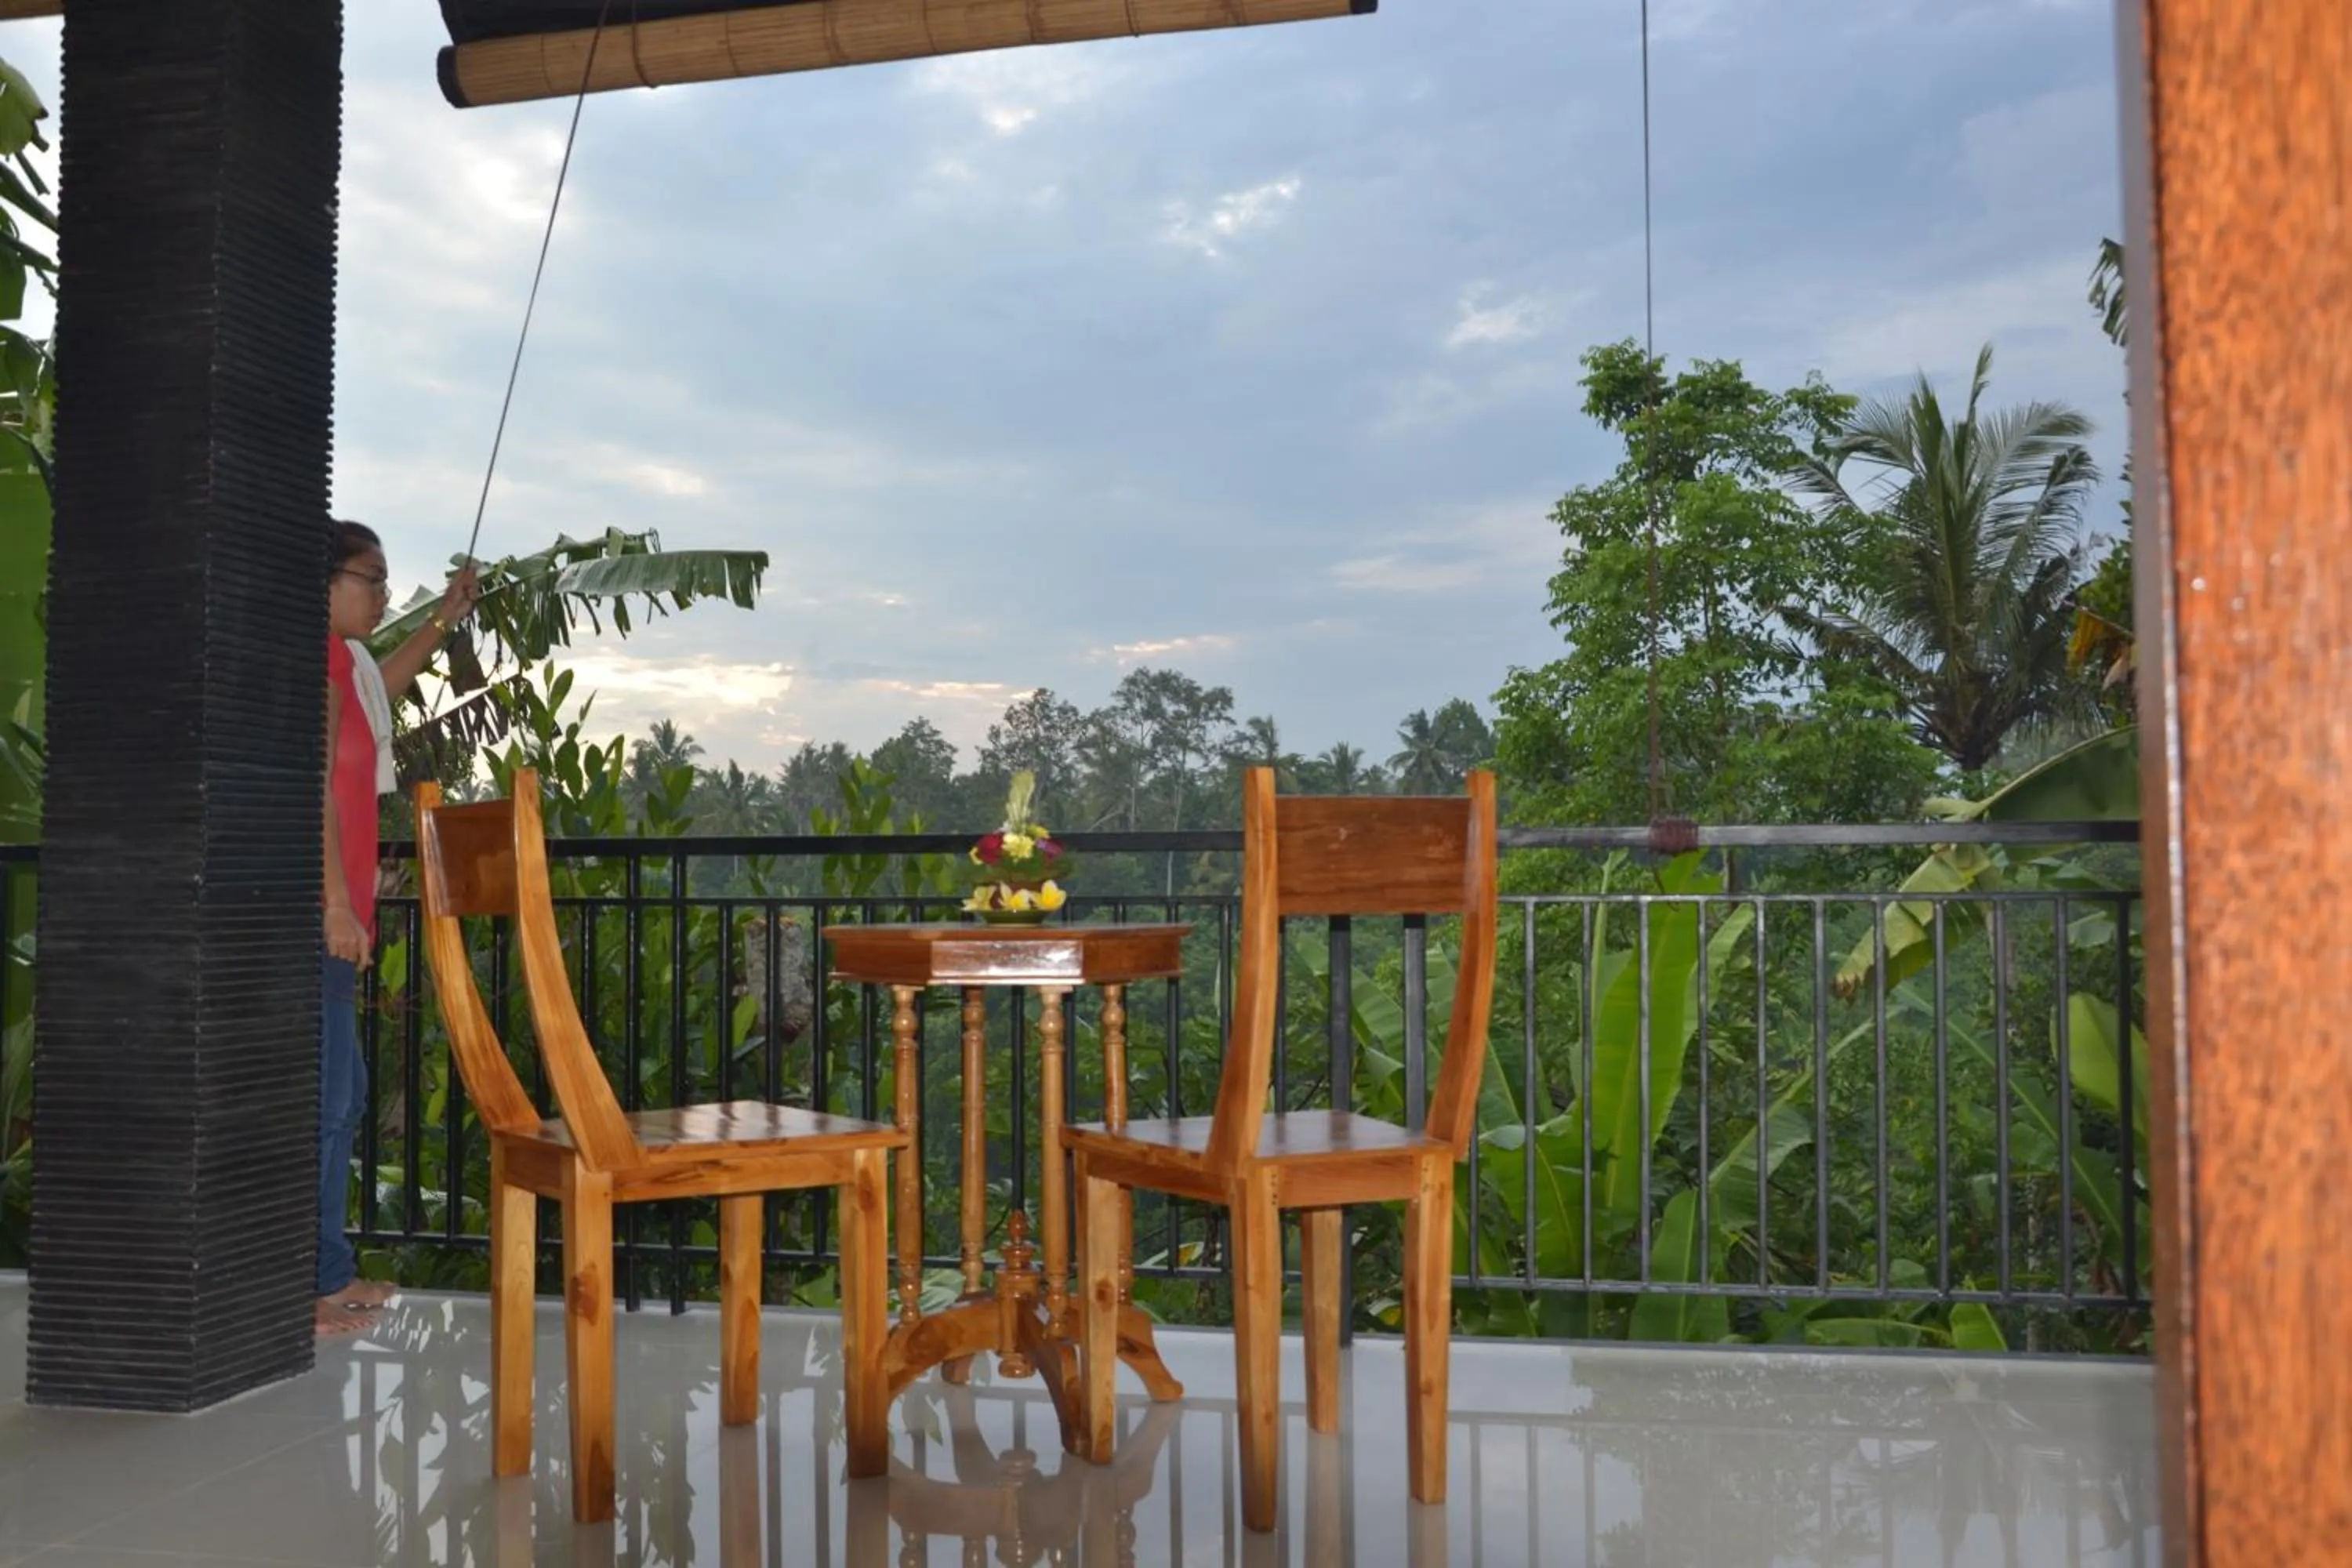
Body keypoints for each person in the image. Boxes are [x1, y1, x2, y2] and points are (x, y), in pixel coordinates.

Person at [320, 520, 479, 1335]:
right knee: (328, 1099)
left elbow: (389, 682)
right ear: (326, 581)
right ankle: (312, 1281)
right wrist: (335, 902)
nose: (382, 593)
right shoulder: (312, 661)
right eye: (370, 578)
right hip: (315, 915)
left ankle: (324, 1271)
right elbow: (312, 787)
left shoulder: (349, 664)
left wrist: (445, 615)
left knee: (337, 1101)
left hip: (341, 911)